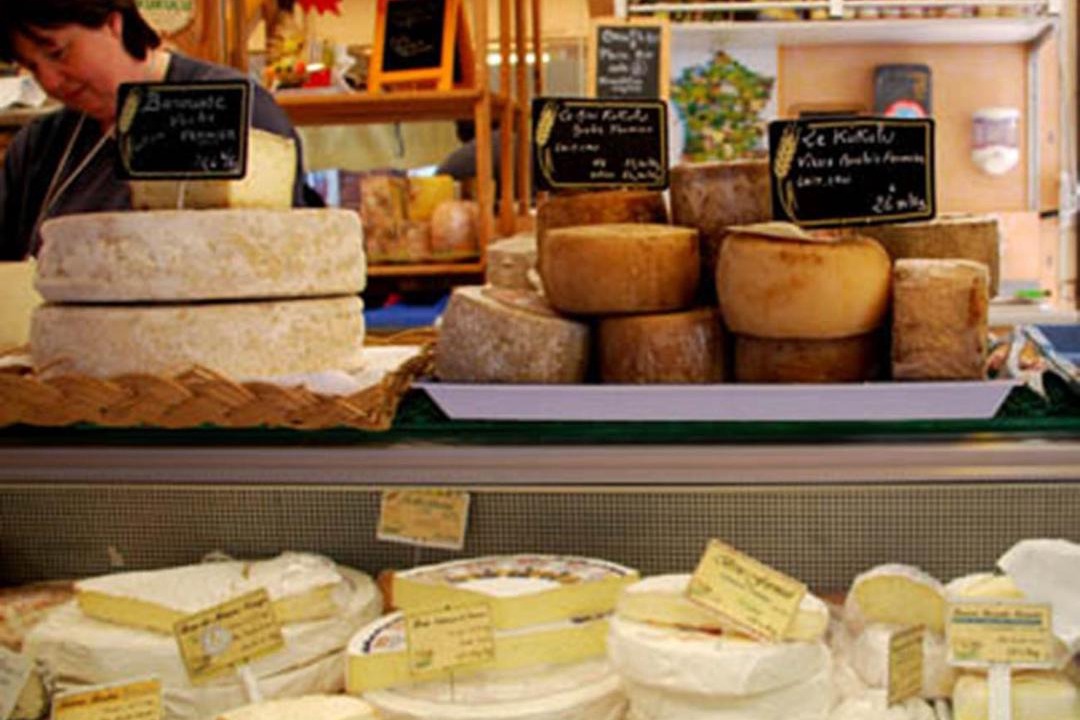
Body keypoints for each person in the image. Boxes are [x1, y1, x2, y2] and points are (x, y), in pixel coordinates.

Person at [0, 0, 314, 261]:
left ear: (113, 23)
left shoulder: (232, 111)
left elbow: (273, 259)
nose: (51, 82)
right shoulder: (38, 147)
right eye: (34, 67)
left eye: (58, 54)